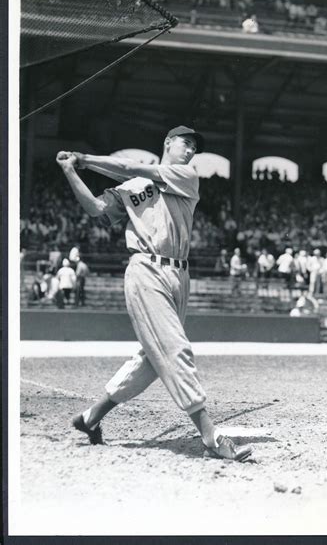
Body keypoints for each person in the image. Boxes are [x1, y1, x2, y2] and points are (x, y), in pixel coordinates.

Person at [57, 125, 252, 461]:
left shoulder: (185, 175)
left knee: (151, 359)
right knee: (175, 348)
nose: (190, 151)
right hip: (146, 267)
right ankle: (211, 436)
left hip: (180, 272)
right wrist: (71, 170)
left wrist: (86, 159)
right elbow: (95, 208)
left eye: (194, 147)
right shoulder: (131, 188)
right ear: (168, 142)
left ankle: (90, 418)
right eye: (185, 143)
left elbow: (133, 167)